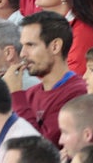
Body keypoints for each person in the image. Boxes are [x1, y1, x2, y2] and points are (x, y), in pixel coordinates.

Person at [5, 14, 88, 142]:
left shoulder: (77, 94)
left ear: (55, 46)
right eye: (23, 46)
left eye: (30, 45)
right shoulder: (31, 93)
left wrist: (15, 95)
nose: (22, 54)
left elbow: (38, 148)